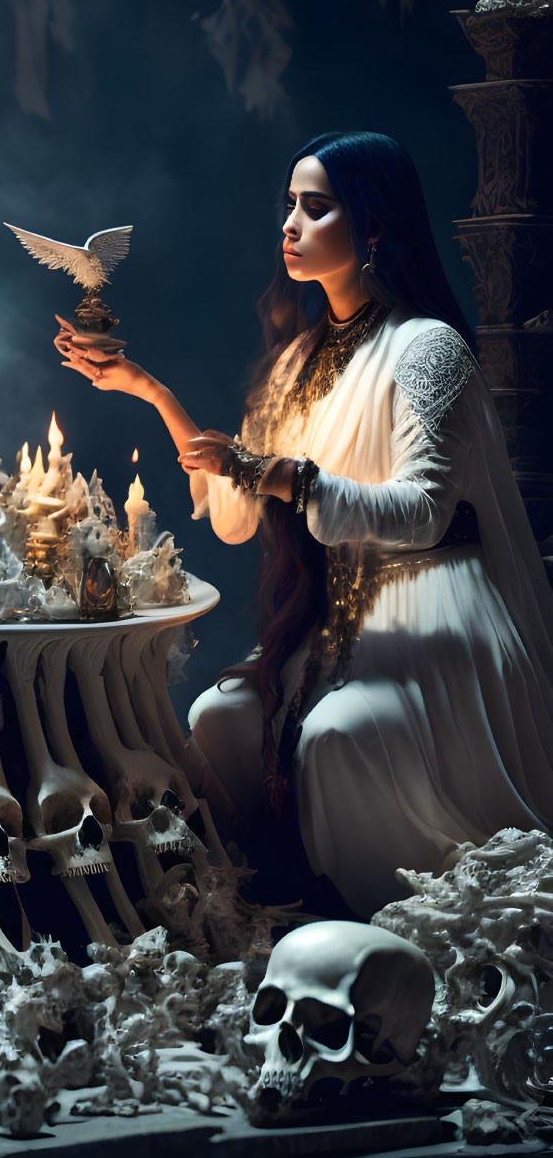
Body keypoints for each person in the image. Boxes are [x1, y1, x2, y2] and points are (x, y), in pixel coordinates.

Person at [55, 131, 553, 918]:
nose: (289, 223)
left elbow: (422, 513)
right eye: (288, 205)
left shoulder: (427, 348)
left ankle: (387, 933)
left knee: (333, 741)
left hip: (426, 614)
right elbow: (239, 513)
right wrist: (149, 390)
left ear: (375, 226)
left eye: (314, 208)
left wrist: (273, 472)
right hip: (332, 617)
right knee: (216, 719)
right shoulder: (297, 361)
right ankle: (281, 916)